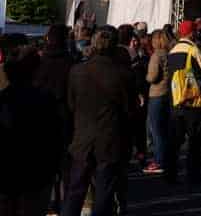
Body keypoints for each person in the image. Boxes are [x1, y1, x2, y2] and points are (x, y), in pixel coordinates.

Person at [62, 27, 137, 216]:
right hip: (110, 138)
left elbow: (71, 104)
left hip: (83, 138)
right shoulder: (123, 74)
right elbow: (129, 110)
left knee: (75, 192)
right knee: (104, 193)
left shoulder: (77, 70)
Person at [0, 46, 64, 216]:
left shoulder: (3, 99)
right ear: (35, 70)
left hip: (7, 176)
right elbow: (55, 138)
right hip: (37, 176)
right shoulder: (46, 99)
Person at [165, 19, 201, 184]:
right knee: (194, 140)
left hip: (176, 99)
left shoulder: (173, 50)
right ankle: (193, 175)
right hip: (193, 100)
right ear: (192, 33)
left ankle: (170, 173)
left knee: (175, 140)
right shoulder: (193, 49)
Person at [32, 24, 74, 211]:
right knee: (64, 160)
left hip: (42, 114)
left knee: (44, 160)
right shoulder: (70, 62)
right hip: (64, 113)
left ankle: (47, 201)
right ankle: (65, 201)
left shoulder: (39, 62)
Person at [143, 29, 171, 175]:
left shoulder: (156, 56)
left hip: (156, 94)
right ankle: (164, 159)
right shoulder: (169, 54)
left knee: (156, 130)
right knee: (164, 129)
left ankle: (159, 161)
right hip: (167, 93)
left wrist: (146, 77)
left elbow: (152, 76)